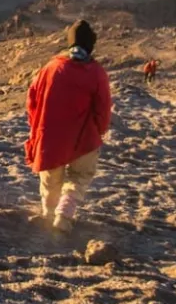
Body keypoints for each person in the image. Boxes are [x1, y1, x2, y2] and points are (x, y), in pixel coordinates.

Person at [26, 20, 115, 232]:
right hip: (83, 139)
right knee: (80, 177)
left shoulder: (50, 68)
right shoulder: (96, 73)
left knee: (50, 181)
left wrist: (36, 127)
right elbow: (103, 108)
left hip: (50, 138)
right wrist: (100, 130)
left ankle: (49, 214)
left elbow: (32, 101)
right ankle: (64, 215)